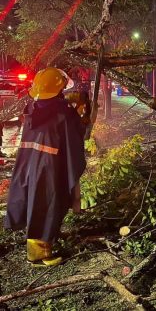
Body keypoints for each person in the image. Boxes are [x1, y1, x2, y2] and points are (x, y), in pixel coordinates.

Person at [4, 67, 86, 266]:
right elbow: (77, 132)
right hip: (51, 166)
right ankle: (38, 254)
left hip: (30, 163)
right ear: (58, 89)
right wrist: (81, 110)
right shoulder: (62, 112)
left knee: (35, 201)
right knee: (48, 204)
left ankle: (41, 243)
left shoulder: (32, 108)